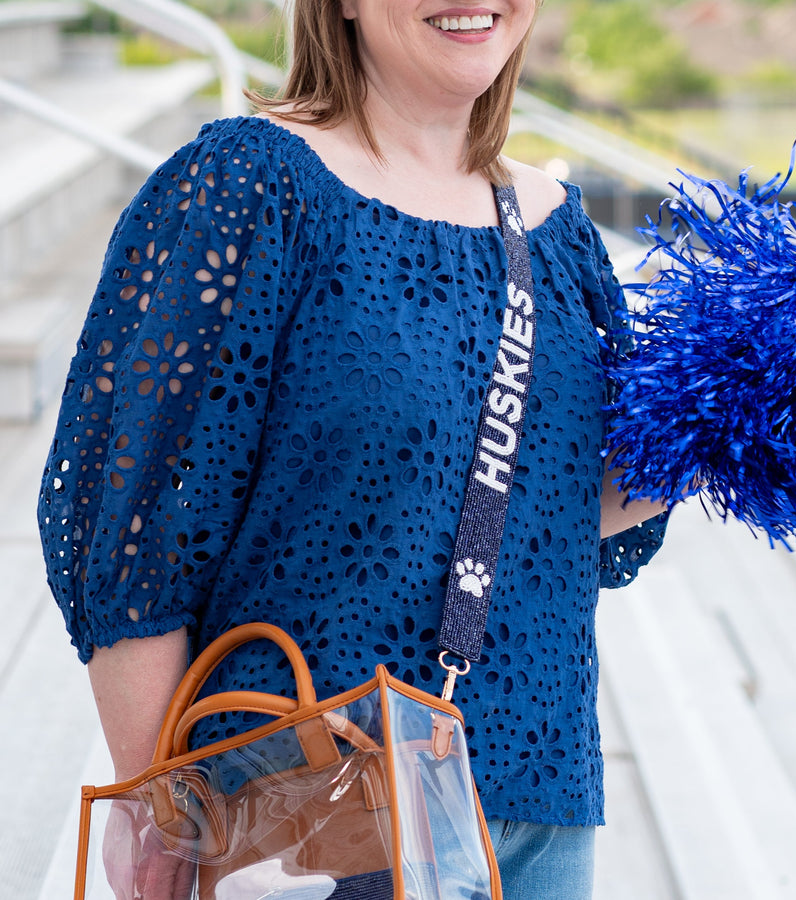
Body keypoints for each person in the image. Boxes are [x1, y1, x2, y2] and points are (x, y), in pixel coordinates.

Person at [38, 1, 670, 898]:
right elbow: (133, 525)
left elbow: (549, 510)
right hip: (315, 807)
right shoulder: (249, 186)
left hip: (538, 803)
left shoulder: (556, 227)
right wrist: (163, 810)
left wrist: (726, 428)